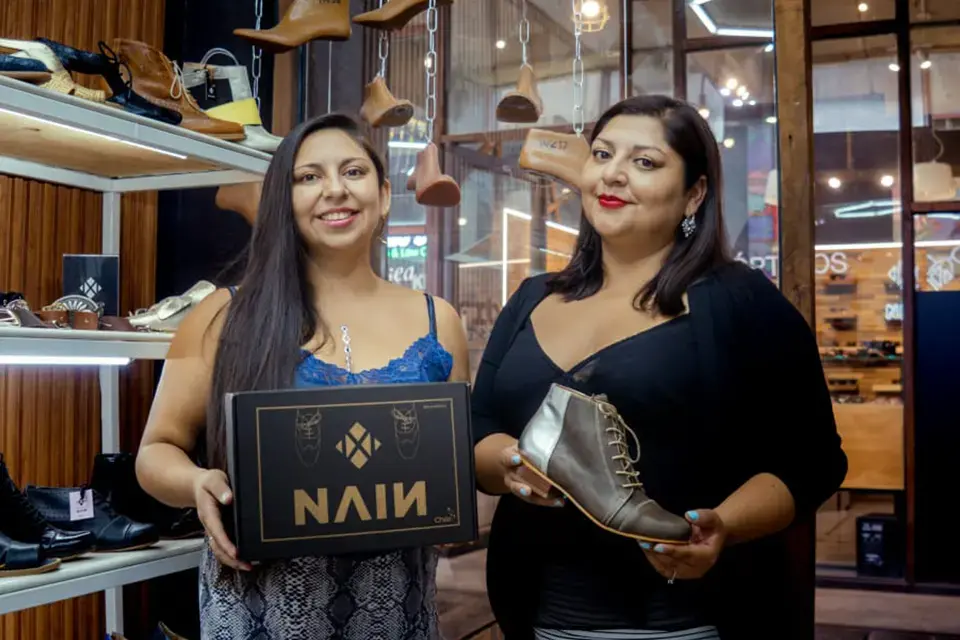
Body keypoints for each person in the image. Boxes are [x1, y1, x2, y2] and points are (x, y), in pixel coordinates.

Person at [471, 95, 848, 639]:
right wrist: (510, 464)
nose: (613, 174)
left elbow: (813, 461)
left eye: (645, 162)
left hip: (686, 623)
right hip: (539, 615)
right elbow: (480, 427)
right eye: (602, 155)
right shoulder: (532, 297)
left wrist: (725, 526)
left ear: (694, 193)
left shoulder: (740, 302)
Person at [136, 113, 469, 640]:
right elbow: (155, 451)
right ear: (283, 201)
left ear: (384, 195)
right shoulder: (222, 316)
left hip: (397, 609)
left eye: (353, 172)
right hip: (259, 609)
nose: (335, 190)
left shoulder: (439, 321)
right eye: (309, 177)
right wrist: (197, 484)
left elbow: (453, 459)